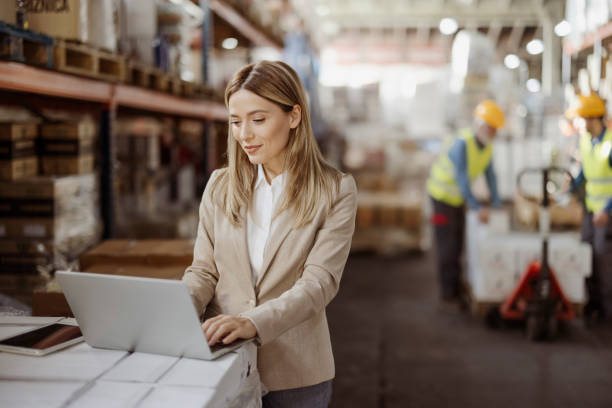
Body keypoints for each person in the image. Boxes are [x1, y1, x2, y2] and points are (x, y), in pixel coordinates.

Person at [182, 60, 357, 407]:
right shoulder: (221, 185)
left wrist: (252, 322)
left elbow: (319, 283)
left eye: (258, 120)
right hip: (223, 361)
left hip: (296, 373)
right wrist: (176, 310)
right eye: (235, 121)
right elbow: (204, 270)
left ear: (293, 117)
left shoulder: (334, 190)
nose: (244, 134)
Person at [426, 100, 504, 307]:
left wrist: (496, 203)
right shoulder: (462, 143)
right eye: (491, 128)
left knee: (459, 244)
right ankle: (447, 294)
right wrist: (478, 207)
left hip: (457, 200)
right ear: (480, 125)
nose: (494, 133)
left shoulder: (486, 147)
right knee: (447, 247)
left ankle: (456, 287)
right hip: (441, 198)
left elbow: (491, 176)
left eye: (496, 130)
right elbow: (461, 178)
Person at [566, 93, 612, 323]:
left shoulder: (610, 144)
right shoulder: (586, 141)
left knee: (603, 259)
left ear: (594, 118)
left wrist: (606, 210)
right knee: (586, 254)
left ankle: (607, 309)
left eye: (582, 119)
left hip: (607, 213)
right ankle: (592, 303)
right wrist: (570, 188)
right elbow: (586, 171)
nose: (580, 124)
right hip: (591, 209)